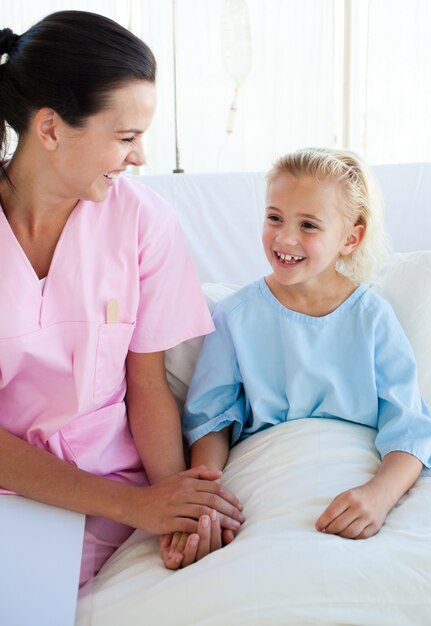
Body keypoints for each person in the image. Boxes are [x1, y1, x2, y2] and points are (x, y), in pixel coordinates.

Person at [0, 10, 243, 586]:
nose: (140, 158)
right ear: (51, 128)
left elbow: (147, 384)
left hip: (111, 494)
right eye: (127, 137)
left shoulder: (143, 222)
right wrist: (136, 506)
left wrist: (174, 508)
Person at [179, 146, 431, 554]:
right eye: (274, 218)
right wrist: (204, 501)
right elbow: (211, 422)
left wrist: (379, 496)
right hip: (270, 476)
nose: (285, 238)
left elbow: (410, 431)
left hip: (356, 478)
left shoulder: (372, 318)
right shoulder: (235, 317)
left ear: (350, 238)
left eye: (308, 225)